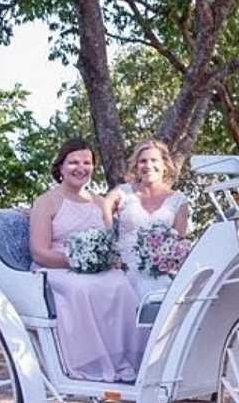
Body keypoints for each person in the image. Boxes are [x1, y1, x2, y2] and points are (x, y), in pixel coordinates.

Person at [29, 138, 148, 382]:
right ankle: (92, 363)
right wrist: (76, 262)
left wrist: (103, 261)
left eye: (87, 162)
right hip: (55, 268)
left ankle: (127, 360)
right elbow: (39, 251)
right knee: (83, 288)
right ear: (61, 167)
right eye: (73, 162)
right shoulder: (47, 202)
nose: (80, 168)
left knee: (122, 285)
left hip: (94, 269)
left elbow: (108, 243)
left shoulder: (99, 203)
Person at [105, 139, 191, 298]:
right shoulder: (122, 193)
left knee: (161, 288)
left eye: (154, 160)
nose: (148, 165)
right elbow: (104, 209)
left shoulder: (179, 200)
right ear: (136, 167)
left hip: (160, 270)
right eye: (143, 161)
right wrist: (111, 248)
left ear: (165, 165)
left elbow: (179, 243)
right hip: (124, 269)